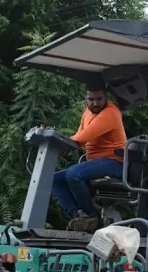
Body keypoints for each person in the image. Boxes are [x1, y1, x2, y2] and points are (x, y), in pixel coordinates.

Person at [52, 84, 128, 232]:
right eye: (91, 99)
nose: (95, 103)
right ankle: (78, 214)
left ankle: (92, 216)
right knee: (55, 179)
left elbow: (83, 137)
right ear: (86, 99)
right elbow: (79, 138)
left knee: (74, 174)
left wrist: (60, 143)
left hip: (115, 162)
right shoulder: (87, 112)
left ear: (107, 98)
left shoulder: (110, 113)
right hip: (96, 162)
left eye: (99, 99)